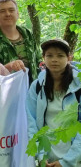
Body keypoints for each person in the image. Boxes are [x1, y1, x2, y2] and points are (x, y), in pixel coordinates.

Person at [26, 39, 81, 167]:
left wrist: (66, 162)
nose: (54, 60)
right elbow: (31, 121)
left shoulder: (78, 87)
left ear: (69, 57)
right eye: (49, 55)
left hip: (75, 159)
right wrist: (40, 156)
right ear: (43, 58)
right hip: (47, 158)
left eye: (60, 55)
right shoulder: (37, 86)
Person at [0, 0, 42, 83]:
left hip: (32, 90)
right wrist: (10, 66)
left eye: (11, 10)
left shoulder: (27, 35)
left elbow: (38, 60)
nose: (7, 14)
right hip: (6, 91)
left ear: (17, 14)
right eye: (2, 11)